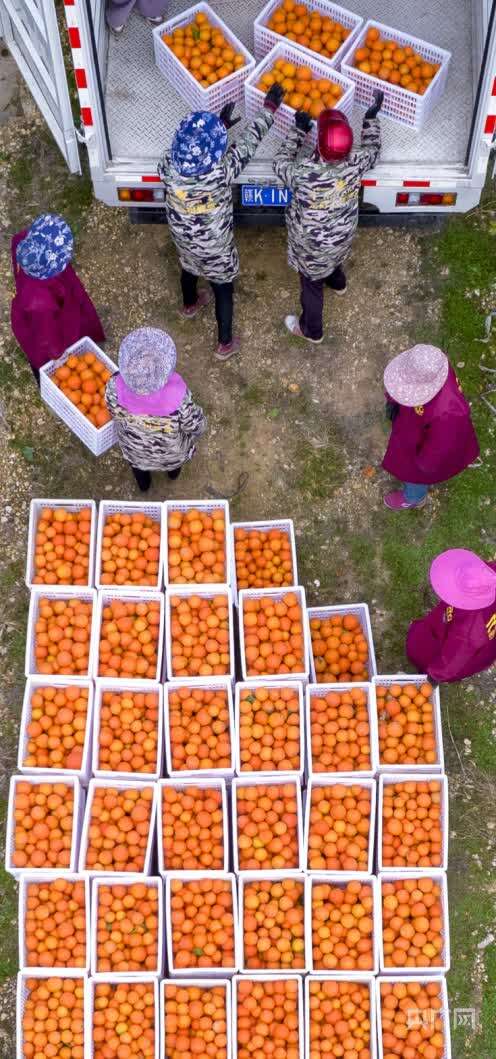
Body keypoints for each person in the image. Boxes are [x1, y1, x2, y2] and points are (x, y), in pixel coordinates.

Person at [158, 85, 284, 361]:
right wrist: (269, 109)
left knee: (188, 268)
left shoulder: (168, 166)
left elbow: (188, 150)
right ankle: (225, 343)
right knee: (222, 287)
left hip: (183, 239)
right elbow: (248, 143)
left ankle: (190, 304)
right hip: (216, 249)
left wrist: (220, 127)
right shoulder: (220, 173)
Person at [273, 91, 383, 344]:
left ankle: (312, 330)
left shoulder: (303, 173)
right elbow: (373, 150)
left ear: (319, 144)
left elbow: (279, 163)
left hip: (311, 247)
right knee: (333, 258)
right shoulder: (356, 163)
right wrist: (370, 119)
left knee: (311, 285)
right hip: (342, 236)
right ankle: (338, 283)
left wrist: (298, 131)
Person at [105, 326, 206, 492]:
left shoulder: (114, 387)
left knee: (138, 468)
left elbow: (112, 411)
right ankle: (172, 475)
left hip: (134, 451)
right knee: (173, 465)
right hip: (171, 454)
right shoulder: (178, 399)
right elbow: (196, 426)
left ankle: (144, 486)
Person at [10, 213, 105, 386]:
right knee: (48, 353)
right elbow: (47, 336)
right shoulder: (39, 301)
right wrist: (57, 354)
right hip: (43, 323)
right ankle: (45, 379)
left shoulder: (23, 244)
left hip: (44, 303)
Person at [382, 344, 480, 510]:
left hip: (422, 451)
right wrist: (395, 401)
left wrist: (422, 467)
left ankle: (414, 497)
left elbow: (439, 449)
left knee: (414, 477)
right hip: (415, 425)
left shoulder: (449, 413)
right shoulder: (438, 368)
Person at [406, 549, 496, 683]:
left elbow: (454, 659)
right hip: (477, 635)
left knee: (419, 651)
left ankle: (425, 669)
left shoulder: (470, 629)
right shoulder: (488, 575)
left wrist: (434, 676)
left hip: (468, 652)